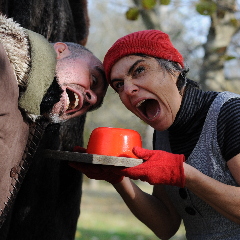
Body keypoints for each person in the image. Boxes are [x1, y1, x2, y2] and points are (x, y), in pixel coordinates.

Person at [71, 29, 240, 240]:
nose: (128, 89)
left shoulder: (230, 113)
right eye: (119, 85)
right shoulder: (163, 134)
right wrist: (117, 177)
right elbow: (166, 225)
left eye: (139, 70)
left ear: (175, 69)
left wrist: (185, 175)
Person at [0, 14, 108, 227]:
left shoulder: (31, 114)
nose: (91, 98)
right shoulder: (3, 64)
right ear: (59, 51)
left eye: (94, 104)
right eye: (93, 79)